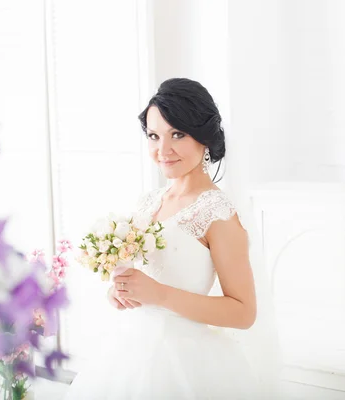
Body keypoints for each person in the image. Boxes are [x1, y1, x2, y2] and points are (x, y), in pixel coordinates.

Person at [64, 78, 280, 399]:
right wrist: (121, 292)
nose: (162, 150)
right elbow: (147, 278)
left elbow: (244, 312)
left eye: (177, 134)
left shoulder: (217, 212)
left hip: (185, 362)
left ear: (203, 138)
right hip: (129, 352)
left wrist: (158, 294)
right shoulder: (150, 201)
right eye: (154, 136)